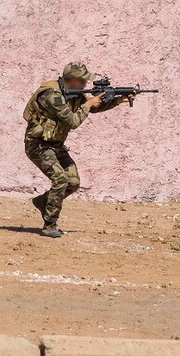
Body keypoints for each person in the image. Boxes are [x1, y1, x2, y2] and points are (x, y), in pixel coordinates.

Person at [23, 62, 130, 238]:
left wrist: (116, 100)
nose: (86, 85)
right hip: (39, 145)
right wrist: (88, 104)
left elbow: (94, 108)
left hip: (56, 145)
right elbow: (73, 120)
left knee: (73, 182)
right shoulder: (51, 95)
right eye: (83, 81)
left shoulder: (74, 93)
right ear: (72, 80)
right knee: (60, 179)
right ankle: (50, 224)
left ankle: (43, 202)